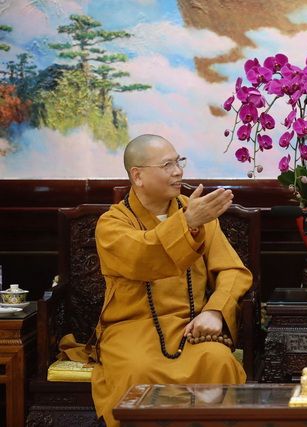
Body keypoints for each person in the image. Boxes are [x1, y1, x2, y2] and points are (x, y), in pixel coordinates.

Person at [92, 134, 252, 426]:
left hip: (190, 329)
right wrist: (187, 223)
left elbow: (232, 270)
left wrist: (215, 310)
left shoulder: (196, 212)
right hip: (132, 328)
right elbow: (142, 257)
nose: (178, 172)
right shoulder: (112, 224)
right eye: (167, 165)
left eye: (179, 162)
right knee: (136, 370)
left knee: (218, 361)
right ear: (137, 176)